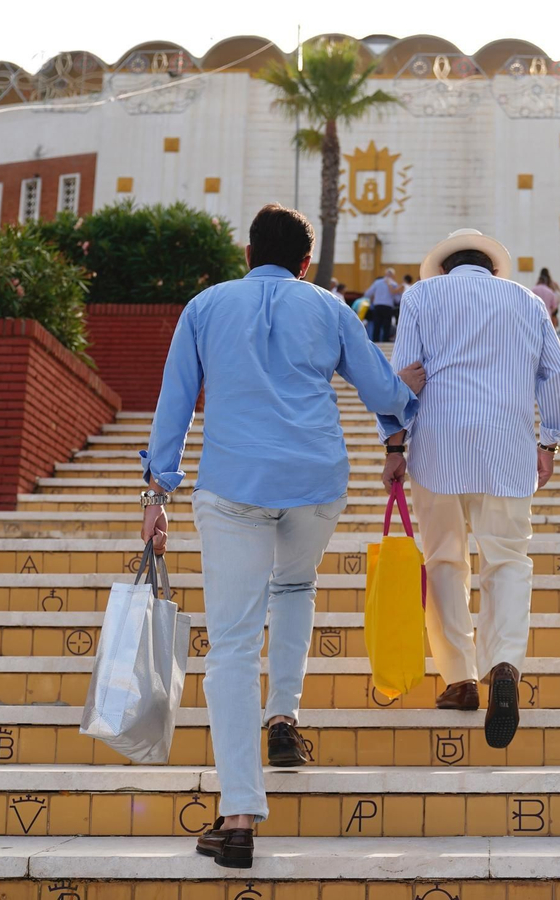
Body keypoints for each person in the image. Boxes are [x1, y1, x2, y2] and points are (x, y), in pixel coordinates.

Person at [139, 204, 425, 869]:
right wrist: (403, 397)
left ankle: (238, 816)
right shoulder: (329, 308)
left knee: (233, 645)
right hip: (316, 481)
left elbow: (174, 401)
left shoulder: (206, 307)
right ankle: (284, 719)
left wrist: (157, 495)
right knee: (295, 584)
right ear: (305, 262)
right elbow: (380, 387)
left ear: (246, 251)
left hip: (233, 485)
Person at [379, 228, 560, 749]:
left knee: (444, 559)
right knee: (508, 560)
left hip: (437, 444)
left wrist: (393, 446)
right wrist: (550, 441)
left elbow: (406, 374)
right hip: (508, 447)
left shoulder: (422, 295)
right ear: (491, 267)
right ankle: (505, 664)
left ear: (444, 267)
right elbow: (557, 374)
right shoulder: (526, 301)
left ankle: (460, 680)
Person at [365, 268, 402, 342]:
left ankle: (375, 341)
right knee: (386, 326)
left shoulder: (377, 282)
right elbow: (397, 299)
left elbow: (368, 293)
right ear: (393, 275)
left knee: (377, 325)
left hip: (377, 306)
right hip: (388, 307)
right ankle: (385, 341)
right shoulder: (394, 284)